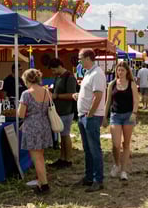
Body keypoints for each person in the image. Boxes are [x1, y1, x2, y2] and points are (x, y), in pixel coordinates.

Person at [73, 49, 106, 192]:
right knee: (88, 149)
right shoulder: (88, 73)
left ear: (88, 58)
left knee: (94, 149)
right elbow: (90, 93)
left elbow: (98, 96)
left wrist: (91, 114)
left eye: (80, 58)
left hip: (90, 117)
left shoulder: (97, 73)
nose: (78, 61)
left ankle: (98, 179)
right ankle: (89, 177)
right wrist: (78, 96)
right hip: (84, 116)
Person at [18, 69, 52, 194]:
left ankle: (44, 185)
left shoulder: (26, 94)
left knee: (36, 158)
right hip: (44, 125)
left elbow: (21, 114)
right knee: (41, 156)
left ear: (27, 80)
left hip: (32, 126)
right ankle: (41, 182)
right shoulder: (46, 92)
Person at [104, 61, 139, 181]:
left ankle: (124, 170)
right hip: (115, 115)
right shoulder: (112, 84)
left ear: (127, 71)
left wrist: (134, 113)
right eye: (118, 70)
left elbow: (136, 100)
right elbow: (108, 101)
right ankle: (116, 164)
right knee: (116, 144)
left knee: (126, 144)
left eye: (122, 70)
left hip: (128, 115)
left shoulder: (131, 84)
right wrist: (104, 116)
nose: (120, 72)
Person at [48, 58, 78, 169]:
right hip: (59, 111)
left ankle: (68, 159)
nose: (53, 72)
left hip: (66, 111)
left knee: (65, 135)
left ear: (59, 66)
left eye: (54, 70)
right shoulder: (58, 77)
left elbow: (72, 95)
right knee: (62, 136)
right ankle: (62, 158)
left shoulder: (69, 78)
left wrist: (57, 96)